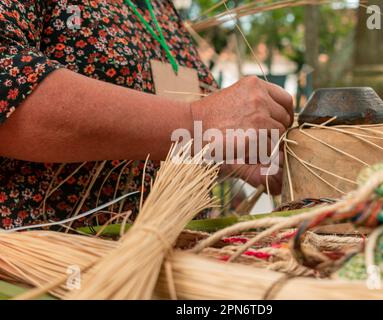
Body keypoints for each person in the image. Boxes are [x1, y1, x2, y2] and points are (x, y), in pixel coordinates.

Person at [0, 0, 293, 229]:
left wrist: (231, 153)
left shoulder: (158, 8)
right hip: (58, 269)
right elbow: (8, 86)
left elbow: (165, 132)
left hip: (176, 262)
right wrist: (197, 122)